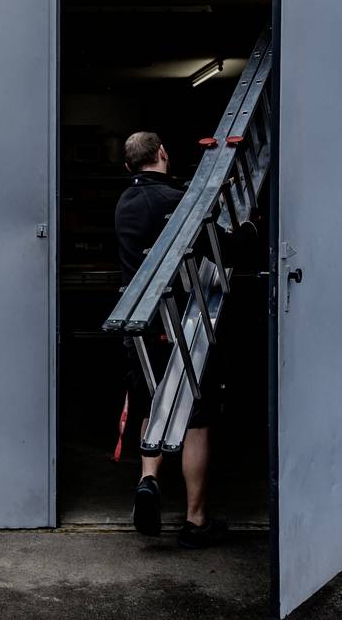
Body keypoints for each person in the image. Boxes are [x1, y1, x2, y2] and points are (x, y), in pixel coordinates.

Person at [113, 131, 227, 548]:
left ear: (129, 168)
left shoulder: (123, 205)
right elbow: (217, 246)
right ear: (164, 153)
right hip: (185, 324)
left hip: (141, 328)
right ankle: (196, 520)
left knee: (151, 404)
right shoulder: (181, 203)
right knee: (195, 420)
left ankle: (148, 481)